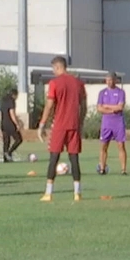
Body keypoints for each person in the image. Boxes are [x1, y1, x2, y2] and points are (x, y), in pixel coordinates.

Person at [38, 56, 87, 202]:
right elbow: (83, 106)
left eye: (53, 68)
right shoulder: (78, 83)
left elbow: (49, 105)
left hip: (60, 125)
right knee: (74, 158)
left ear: (58, 67)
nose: (53, 71)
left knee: (54, 157)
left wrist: (42, 124)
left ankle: (48, 193)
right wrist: (81, 122)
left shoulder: (54, 83)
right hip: (74, 125)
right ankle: (77, 193)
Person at [97, 72, 127, 175]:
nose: (109, 82)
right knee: (103, 146)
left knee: (121, 146)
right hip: (106, 123)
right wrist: (112, 110)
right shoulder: (102, 93)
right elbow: (99, 108)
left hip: (118, 122)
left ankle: (123, 170)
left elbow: (120, 107)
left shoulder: (120, 92)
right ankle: (102, 168)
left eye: (111, 80)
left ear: (115, 80)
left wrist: (107, 106)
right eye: (107, 80)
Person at [1, 88, 23, 162]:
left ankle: (5, 157)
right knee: (19, 139)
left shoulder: (3, 100)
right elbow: (12, 113)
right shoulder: (11, 101)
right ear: (14, 95)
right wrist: (17, 124)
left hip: (3, 123)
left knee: (6, 141)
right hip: (10, 124)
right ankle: (9, 153)